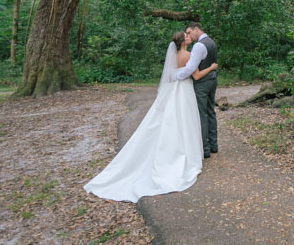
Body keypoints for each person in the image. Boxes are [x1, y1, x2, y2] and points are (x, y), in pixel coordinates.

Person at [84, 31, 217, 202]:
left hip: (173, 91)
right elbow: (196, 75)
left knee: (170, 120)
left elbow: (170, 76)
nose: (188, 36)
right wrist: (212, 68)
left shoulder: (173, 56)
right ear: (183, 42)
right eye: (186, 36)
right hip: (184, 91)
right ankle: (184, 151)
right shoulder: (189, 55)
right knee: (185, 121)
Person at [175, 22, 218, 158]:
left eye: (189, 32)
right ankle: (213, 146)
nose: (188, 35)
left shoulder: (199, 46)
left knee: (202, 114)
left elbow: (190, 68)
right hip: (212, 81)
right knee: (211, 112)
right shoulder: (211, 42)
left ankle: (205, 150)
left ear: (196, 29)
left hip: (202, 84)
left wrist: (175, 76)